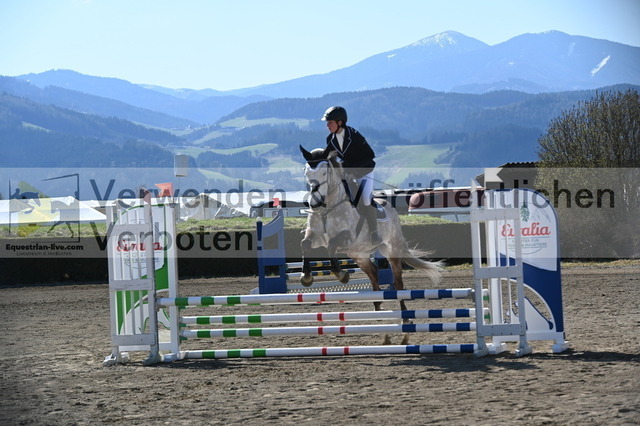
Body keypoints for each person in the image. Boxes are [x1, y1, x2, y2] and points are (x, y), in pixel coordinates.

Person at [321, 106, 382, 246]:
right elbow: (329, 157)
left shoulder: (354, 135)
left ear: (340, 122)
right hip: (347, 174)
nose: (327, 125)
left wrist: (353, 171)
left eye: (330, 122)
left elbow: (370, 155)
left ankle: (374, 232)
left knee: (365, 199)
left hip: (364, 172)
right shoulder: (330, 139)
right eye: (327, 122)